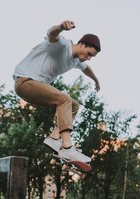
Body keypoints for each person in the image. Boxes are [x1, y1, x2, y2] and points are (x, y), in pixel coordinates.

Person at [13, 20, 101, 171]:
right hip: (25, 81)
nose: (88, 58)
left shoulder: (75, 61)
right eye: (88, 54)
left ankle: (54, 139)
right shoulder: (63, 45)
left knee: (74, 105)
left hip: (35, 86)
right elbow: (51, 34)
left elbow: (87, 69)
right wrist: (60, 27)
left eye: (91, 57)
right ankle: (67, 148)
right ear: (81, 44)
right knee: (64, 100)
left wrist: (96, 81)